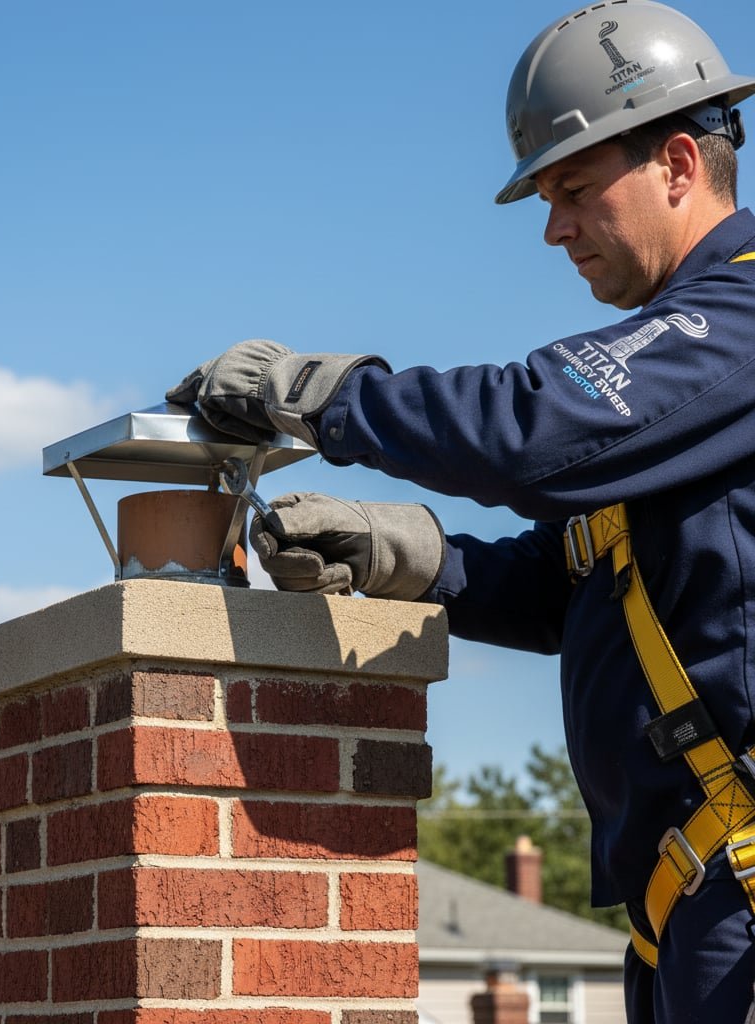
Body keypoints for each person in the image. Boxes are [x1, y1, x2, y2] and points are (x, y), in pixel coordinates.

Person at [166, 2, 755, 1021]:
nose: (553, 226)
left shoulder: (735, 327)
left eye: (572, 188)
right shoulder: (688, 386)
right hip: (691, 904)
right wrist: (419, 560)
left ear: (674, 163)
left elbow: (528, 429)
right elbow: (579, 586)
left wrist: (318, 393)